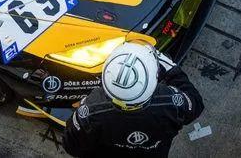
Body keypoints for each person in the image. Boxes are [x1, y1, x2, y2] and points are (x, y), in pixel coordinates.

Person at [63, 42, 204, 157]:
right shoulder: (171, 104)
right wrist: (168, 66)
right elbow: (196, 104)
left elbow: (71, 146)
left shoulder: (91, 110)